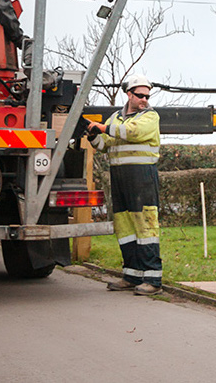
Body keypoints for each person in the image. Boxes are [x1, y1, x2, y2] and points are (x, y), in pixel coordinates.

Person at [87, 74, 162, 295]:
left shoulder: (150, 117)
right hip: (119, 176)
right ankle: (132, 275)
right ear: (129, 95)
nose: (144, 99)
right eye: (140, 95)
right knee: (125, 227)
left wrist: (101, 127)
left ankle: (153, 279)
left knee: (145, 225)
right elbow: (104, 144)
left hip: (142, 176)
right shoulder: (115, 118)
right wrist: (93, 136)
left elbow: (133, 133)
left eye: (147, 95)